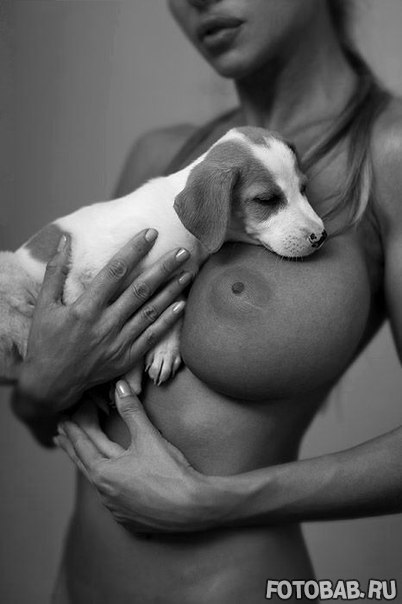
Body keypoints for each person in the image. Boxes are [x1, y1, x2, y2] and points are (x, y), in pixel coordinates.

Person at [11, 0, 402, 602]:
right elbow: (58, 423)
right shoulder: (160, 160)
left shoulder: (388, 155)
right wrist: (40, 391)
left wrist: (219, 501)